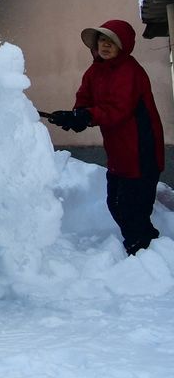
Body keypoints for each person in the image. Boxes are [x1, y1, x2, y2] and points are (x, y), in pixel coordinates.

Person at [47, 19, 165, 255]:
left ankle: (141, 249)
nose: (106, 45)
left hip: (142, 147)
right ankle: (145, 242)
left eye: (112, 41)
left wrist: (85, 117)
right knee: (116, 202)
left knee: (132, 205)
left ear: (124, 46)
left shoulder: (130, 71)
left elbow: (118, 108)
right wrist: (74, 116)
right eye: (102, 40)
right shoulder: (95, 71)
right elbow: (85, 99)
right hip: (119, 149)